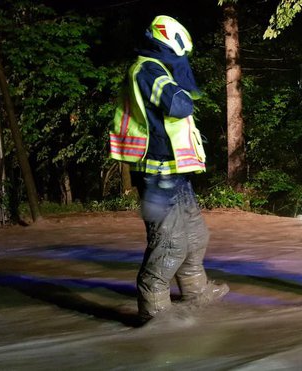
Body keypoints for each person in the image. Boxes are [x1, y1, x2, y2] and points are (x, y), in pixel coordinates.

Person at [109, 15, 228, 322]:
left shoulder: (157, 68)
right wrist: (180, 84)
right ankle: (154, 310)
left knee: (195, 235)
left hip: (174, 171)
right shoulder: (147, 69)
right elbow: (179, 105)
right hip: (156, 172)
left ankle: (196, 292)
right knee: (169, 242)